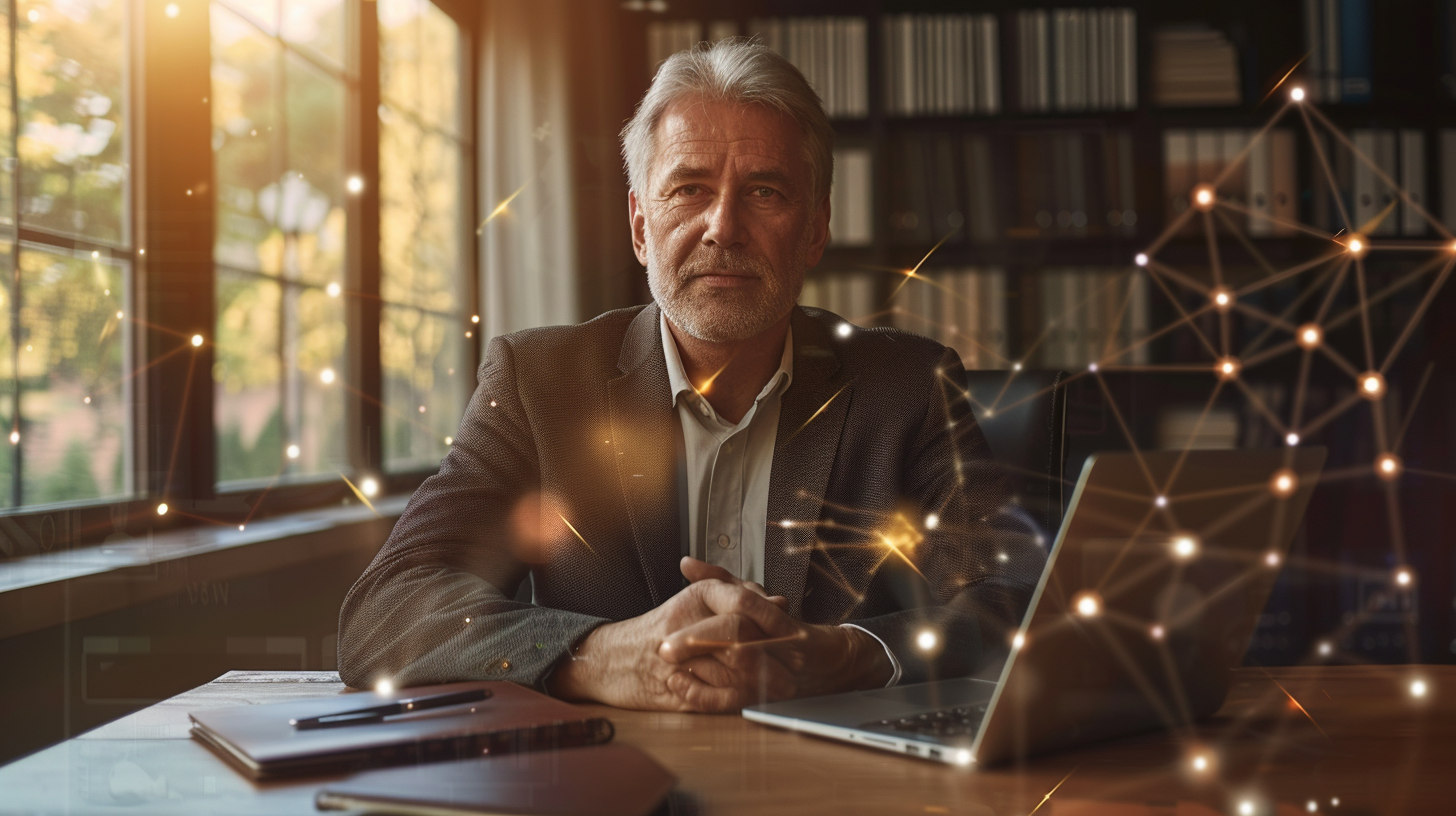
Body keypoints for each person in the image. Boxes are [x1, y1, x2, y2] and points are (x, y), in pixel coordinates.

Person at [337, 39, 1043, 713]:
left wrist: (846, 656)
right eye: (688, 189)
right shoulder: (537, 380)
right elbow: (387, 611)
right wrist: (598, 655)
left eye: (765, 192)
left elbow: (1015, 597)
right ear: (641, 226)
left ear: (816, 229)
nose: (722, 227)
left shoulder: (909, 386)